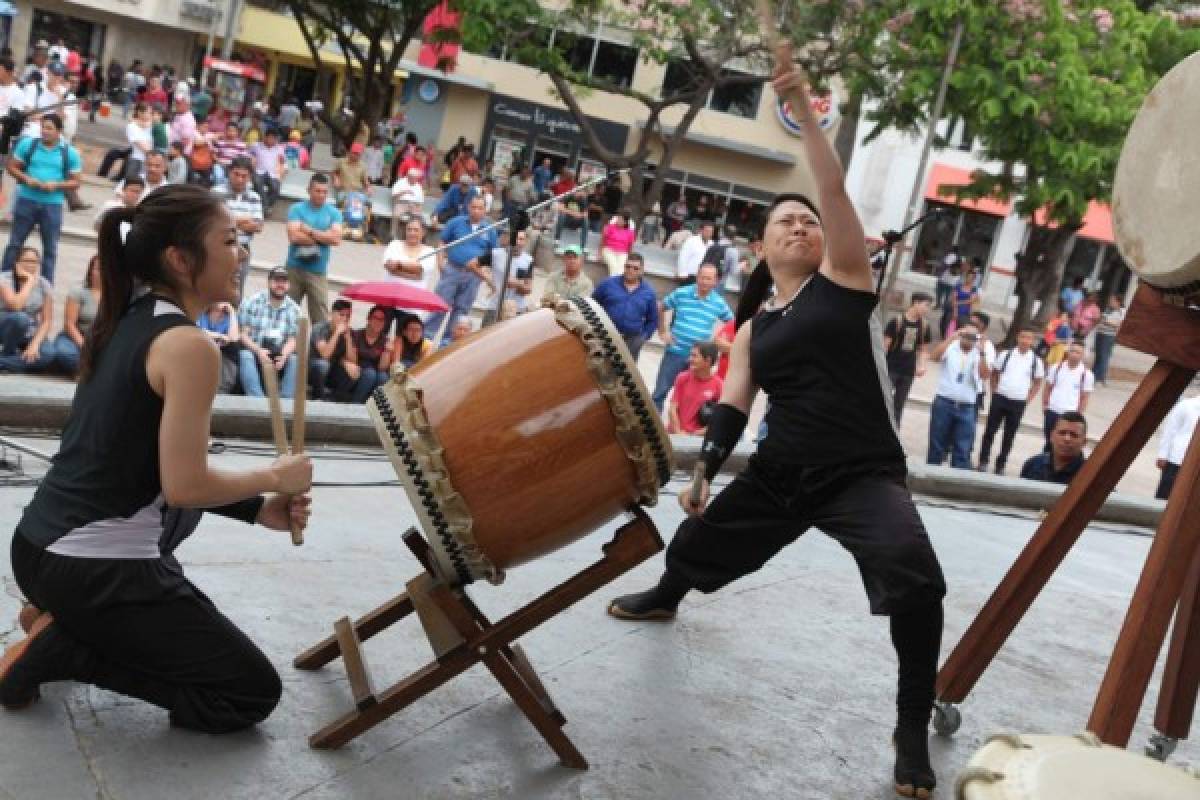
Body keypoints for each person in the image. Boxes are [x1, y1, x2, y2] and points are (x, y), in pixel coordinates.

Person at [608, 47, 946, 799]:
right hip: (782, 471)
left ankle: (910, 724)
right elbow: (734, 402)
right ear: (761, 247)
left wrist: (805, 116)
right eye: (783, 221)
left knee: (917, 581)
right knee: (699, 541)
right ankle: (666, 595)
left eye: (807, 221)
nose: (799, 224)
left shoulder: (846, 280)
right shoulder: (758, 326)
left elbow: (830, 184)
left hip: (860, 473)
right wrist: (702, 469)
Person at [0, 185, 312, 730]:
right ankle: (68, 647)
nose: (241, 254)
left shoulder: (130, 316)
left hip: (38, 548)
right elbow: (186, 485)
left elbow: (143, 465)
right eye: (229, 240)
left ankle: (67, 620)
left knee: (166, 535)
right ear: (180, 259)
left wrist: (259, 507)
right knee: (248, 694)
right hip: (91, 567)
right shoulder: (190, 346)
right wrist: (274, 474)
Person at [3, 115, 82, 284]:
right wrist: (26, 179)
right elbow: (11, 167)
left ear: (59, 131)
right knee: (15, 244)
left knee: (50, 249)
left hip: (52, 205)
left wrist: (57, 185)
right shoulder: (28, 144)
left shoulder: (69, 152)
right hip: (26, 200)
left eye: (49, 128)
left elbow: (76, 182)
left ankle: (46, 287)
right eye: (43, 127)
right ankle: (5, 280)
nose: (44, 132)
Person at [652, 263, 733, 411]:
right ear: (697, 277)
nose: (704, 281)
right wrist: (663, 331)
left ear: (715, 281)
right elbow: (660, 307)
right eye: (702, 277)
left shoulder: (719, 303)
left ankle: (679, 430)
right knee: (660, 393)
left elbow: (733, 323)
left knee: (689, 398)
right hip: (675, 352)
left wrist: (721, 341)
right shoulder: (681, 293)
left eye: (709, 279)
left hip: (699, 359)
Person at [426, 196, 496, 345]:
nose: (476, 211)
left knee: (461, 311)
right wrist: (440, 263)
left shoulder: (490, 230)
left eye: (480, 208)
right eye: (474, 207)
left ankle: (447, 343)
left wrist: (487, 275)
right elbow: (442, 241)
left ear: (485, 210)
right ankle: (426, 339)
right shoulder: (455, 222)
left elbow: (493, 254)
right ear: (468, 207)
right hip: (452, 269)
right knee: (439, 306)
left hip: (473, 276)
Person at [977, 328, 1045, 476]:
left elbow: (1038, 381)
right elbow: (995, 373)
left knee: (1009, 435)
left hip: (1018, 401)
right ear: (1017, 337)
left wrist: (1029, 397)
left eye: (1029, 338)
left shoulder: (1036, 361)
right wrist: (994, 390)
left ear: (1032, 341)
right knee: (990, 431)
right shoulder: (1006, 355)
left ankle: (1001, 464)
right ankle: (983, 460)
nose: (1025, 340)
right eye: (1023, 337)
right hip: (1000, 397)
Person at [927, 324, 989, 469]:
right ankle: (931, 474)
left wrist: (982, 352)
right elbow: (934, 356)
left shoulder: (980, 351)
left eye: (972, 337)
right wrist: (952, 337)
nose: (969, 340)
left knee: (962, 447)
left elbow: (985, 375)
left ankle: (957, 479)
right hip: (944, 402)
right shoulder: (951, 346)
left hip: (967, 406)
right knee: (936, 442)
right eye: (966, 336)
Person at [285, 174, 344, 325]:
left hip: (318, 271)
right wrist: (323, 238)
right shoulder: (296, 208)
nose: (321, 195)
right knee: (287, 314)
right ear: (309, 190)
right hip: (294, 269)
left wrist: (309, 231)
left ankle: (318, 348)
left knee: (321, 318)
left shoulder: (334, 213)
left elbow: (336, 239)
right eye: (317, 191)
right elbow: (294, 237)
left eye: (324, 191)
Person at [238, 266, 301, 398]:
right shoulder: (251, 302)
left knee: (294, 359)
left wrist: (283, 355)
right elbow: (243, 335)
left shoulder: (295, 309)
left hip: (279, 354)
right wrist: (258, 351)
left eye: (284, 281)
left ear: (288, 285)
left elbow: (292, 340)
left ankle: (286, 403)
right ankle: (257, 401)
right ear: (268, 282)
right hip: (256, 352)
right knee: (244, 355)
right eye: (276, 280)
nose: (280, 285)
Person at [213, 157, 264, 300]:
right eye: (236, 174)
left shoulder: (254, 197)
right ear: (229, 172)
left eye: (244, 176)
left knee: (236, 291)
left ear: (250, 177)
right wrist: (243, 219)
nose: (240, 179)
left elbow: (258, 226)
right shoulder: (216, 193)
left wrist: (230, 221)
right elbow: (215, 222)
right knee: (214, 286)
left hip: (243, 249)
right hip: (219, 248)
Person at [592, 252, 658, 360]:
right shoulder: (607, 284)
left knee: (624, 375)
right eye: (628, 266)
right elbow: (593, 304)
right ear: (624, 266)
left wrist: (643, 337)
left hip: (631, 341)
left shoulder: (649, 292)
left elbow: (653, 319)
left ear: (641, 270)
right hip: (605, 336)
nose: (631, 270)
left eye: (635, 268)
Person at [0, 247, 55, 372]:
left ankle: (5, 362)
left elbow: (46, 321)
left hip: (28, 332)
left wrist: (34, 344)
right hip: (5, 327)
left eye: (35, 262)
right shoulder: (4, 279)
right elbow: (16, 306)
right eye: (27, 261)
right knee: (20, 318)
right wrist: (29, 281)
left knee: (48, 354)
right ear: (17, 262)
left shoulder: (44, 284)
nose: (31, 265)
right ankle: (10, 358)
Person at [882, 292, 933, 424]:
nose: (927, 309)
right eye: (926, 305)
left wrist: (922, 365)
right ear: (915, 302)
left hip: (908, 372)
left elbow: (923, 349)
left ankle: (893, 436)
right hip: (891, 368)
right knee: (883, 402)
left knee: (898, 406)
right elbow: (885, 346)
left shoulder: (925, 326)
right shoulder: (896, 321)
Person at [328, 305, 392, 404]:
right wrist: (349, 340)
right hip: (357, 370)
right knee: (369, 374)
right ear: (369, 319)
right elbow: (349, 359)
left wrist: (387, 351)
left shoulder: (385, 340)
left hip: (375, 372)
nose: (378, 322)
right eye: (375, 318)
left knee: (383, 377)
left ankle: (374, 406)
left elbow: (382, 368)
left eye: (382, 320)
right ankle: (355, 403)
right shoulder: (356, 335)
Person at [1042, 340, 1093, 448]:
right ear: (1068, 352)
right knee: (1049, 442)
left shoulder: (1086, 375)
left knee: (1062, 445)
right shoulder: (1056, 368)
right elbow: (1047, 388)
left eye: (1078, 352)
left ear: (1082, 355)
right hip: (1052, 411)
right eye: (1072, 351)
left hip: (1069, 415)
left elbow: (1085, 397)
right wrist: (1045, 406)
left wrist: (1078, 414)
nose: (1074, 354)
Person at [666, 342, 723, 435]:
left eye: (694, 356)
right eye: (690, 355)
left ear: (708, 361)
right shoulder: (683, 377)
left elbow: (719, 420)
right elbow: (672, 409)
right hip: (675, 432)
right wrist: (678, 432)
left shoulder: (719, 385)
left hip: (697, 437)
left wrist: (693, 435)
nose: (689, 359)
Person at [1020, 412, 1087, 485]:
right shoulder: (1033, 464)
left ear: (1084, 442)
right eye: (1062, 433)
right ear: (1051, 436)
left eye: (1074, 435)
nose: (1067, 439)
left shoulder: (1089, 475)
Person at [1155, 395, 1200, 500]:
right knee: (1165, 495)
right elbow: (1170, 430)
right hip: (1177, 459)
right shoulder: (1187, 405)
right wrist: (1162, 455)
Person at [308, 298, 353, 399]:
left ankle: (334, 399)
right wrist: (337, 333)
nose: (345, 319)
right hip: (313, 371)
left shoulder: (348, 332)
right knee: (323, 365)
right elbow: (325, 355)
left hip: (332, 371)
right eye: (341, 315)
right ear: (332, 314)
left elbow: (351, 360)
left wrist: (349, 339)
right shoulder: (319, 328)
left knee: (354, 369)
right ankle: (318, 399)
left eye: (348, 316)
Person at [197, 302, 241, 393]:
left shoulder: (230, 317)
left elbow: (234, 338)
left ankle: (221, 391)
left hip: (223, 356)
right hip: (202, 352)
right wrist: (219, 336)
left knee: (233, 348)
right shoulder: (201, 314)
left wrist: (232, 312)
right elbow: (195, 330)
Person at [489, 229, 534, 315]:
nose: (517, 242)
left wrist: (517, 284)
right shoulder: (495, 254)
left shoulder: (528, 260)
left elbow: (528, 289)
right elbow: (473, 264)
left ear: (525, 242)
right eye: (515, 238)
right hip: (494, 306)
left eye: (521, 239)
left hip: (515, 309)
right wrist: (488, 280)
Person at [249, 128, 286, 213]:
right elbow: (249, 156)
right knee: (257, 183)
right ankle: (265, 207)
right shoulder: (256, 146)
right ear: (265, 137)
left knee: (275, 188)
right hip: (258, 171)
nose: (273, 140)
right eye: (271, 138)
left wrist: (280, 173)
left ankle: (263, 207)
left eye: (275, 138)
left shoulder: (279, 148)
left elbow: (283, 162)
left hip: (273, 173)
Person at [1092, 293, 1124, 385]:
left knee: (1104, 356)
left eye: (1112, 300)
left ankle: (1099, 377)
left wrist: (1106, 321)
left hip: (1108, 336)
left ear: (1118, 302)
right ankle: (1095, 375)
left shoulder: (1121, 311)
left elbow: (1119, 325)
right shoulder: (1108, 310)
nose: (1110, 302)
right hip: (1100, 333)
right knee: (1098, 355)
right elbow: (1101, 319)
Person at [940, 267, 980, 338]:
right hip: (954, 306)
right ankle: (946, 336)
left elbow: (971, 301)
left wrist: (959, 303)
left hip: (965, 309)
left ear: (974, 279)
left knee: (965, 323)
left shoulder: (974, 289)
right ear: (966, 277)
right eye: (968, 277)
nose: (969, 279)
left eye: (971, 278)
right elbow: (953, 298)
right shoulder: (958, 286)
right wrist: (955, 310)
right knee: (949, 317)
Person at [390, 167, 426, 238]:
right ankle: (392, 235)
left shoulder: (418, 186)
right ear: (408, 176)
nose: (415, 180)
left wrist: (419, 208)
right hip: (401, 203)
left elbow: (421, 201)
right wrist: (404, 192)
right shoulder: (400, 182)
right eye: (413, 178)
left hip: (414, 204)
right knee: (396, 215)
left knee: (419, 218)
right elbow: (393, 196)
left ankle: (418, 237)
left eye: (416, 178)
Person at [600, 211, 637, 277]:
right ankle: (615, 286)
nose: (618, 220)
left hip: (622, 253)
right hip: (609, 250)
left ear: (625, 222)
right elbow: (603, 240)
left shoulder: (630, 232)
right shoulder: (610, 227)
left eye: (621, 219)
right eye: (618, 218)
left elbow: (630, 246)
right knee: (613, 267)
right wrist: (599, 253)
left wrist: (631, 258)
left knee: (621, 270)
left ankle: (615, 286)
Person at [935, 245, 961, 313]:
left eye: (950, 248)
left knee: (939, 292)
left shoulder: (951, 256)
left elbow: (945, 265)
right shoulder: (959, 258)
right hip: (953, 280)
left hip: (945, 278)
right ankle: (944, 307)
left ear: (952, 250)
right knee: (948, 295)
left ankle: (938, 305)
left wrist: (939, 271)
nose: (948, 249)